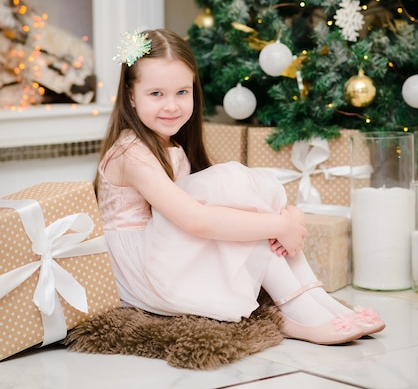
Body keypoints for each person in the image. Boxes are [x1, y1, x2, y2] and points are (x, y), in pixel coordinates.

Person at [95, 28, 385, 345]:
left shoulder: (170, 144)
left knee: (231, 190)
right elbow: (196, 220)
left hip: (162, 251)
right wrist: (278, 224)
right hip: (141, 271)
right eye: (156, 94)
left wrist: (289, 218)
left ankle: (311, 293)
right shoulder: (130, 153)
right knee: (228, 191)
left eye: (182, 92)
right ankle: (293, 304)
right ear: (130, 95)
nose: (172, 106)